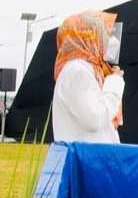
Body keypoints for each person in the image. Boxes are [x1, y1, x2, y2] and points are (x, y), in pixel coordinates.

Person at [52, 12, 125, 143]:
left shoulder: (86, 70)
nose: (112, 40)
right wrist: (115, 83)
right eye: (105, 34)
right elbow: (94, 118)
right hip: (88, 161)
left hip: (92, 159)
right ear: (88, 38)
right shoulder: (77, 71)